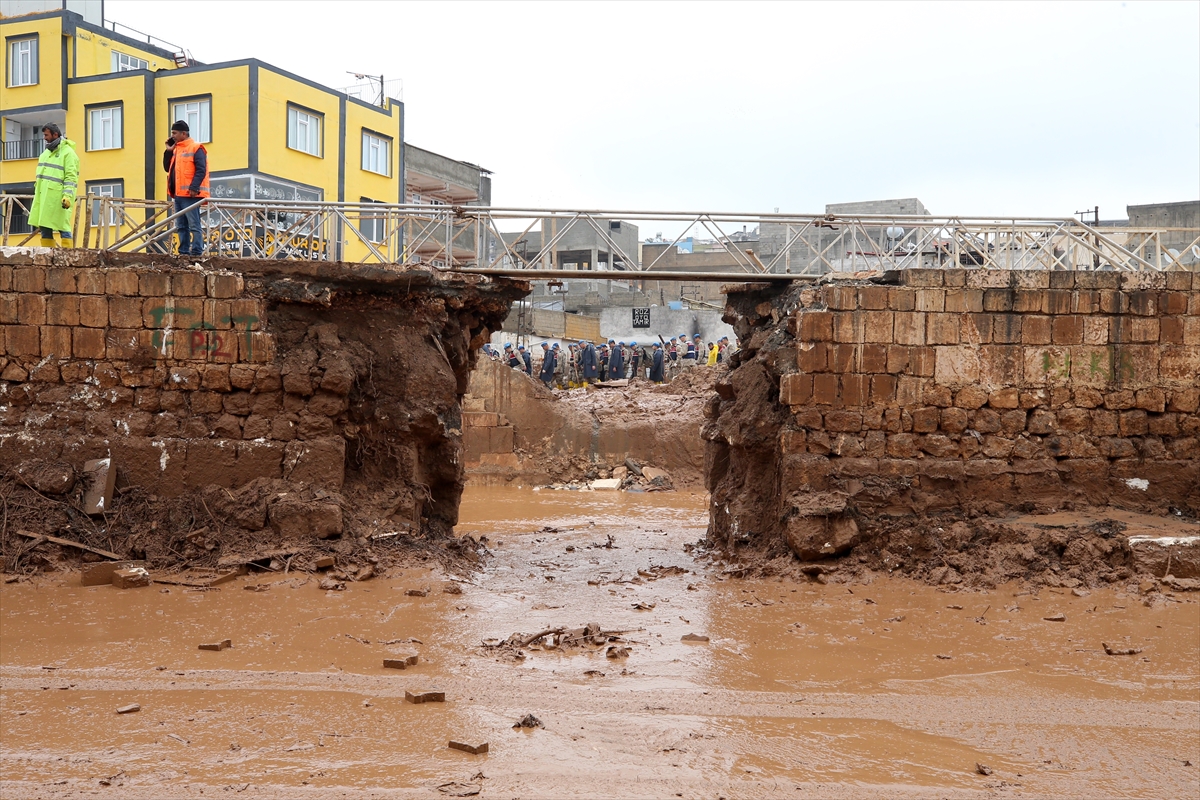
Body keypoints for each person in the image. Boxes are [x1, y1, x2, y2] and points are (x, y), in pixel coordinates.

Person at [28, 123, 79, 248]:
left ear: (55, 134)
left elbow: (71, 178)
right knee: (45, 229)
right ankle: (48, 259)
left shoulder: (68, 153)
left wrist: (67, 196)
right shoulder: (45, 154)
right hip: (43, 198)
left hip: (58, 198)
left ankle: (69, 258)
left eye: (46, 135)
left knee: (63, 227)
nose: (44, 138)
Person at [164, 120, 210, 257]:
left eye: (174, 133)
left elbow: (201, 170)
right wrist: (168, 151)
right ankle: (183, 252)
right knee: (181, 226)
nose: (172, 136)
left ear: (184, 133)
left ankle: (196, 252)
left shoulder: (196, 147)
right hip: (178, 195)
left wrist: (194, 187)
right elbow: (167, 168)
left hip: (190, 194)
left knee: (194, 224)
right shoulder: (176, 150)